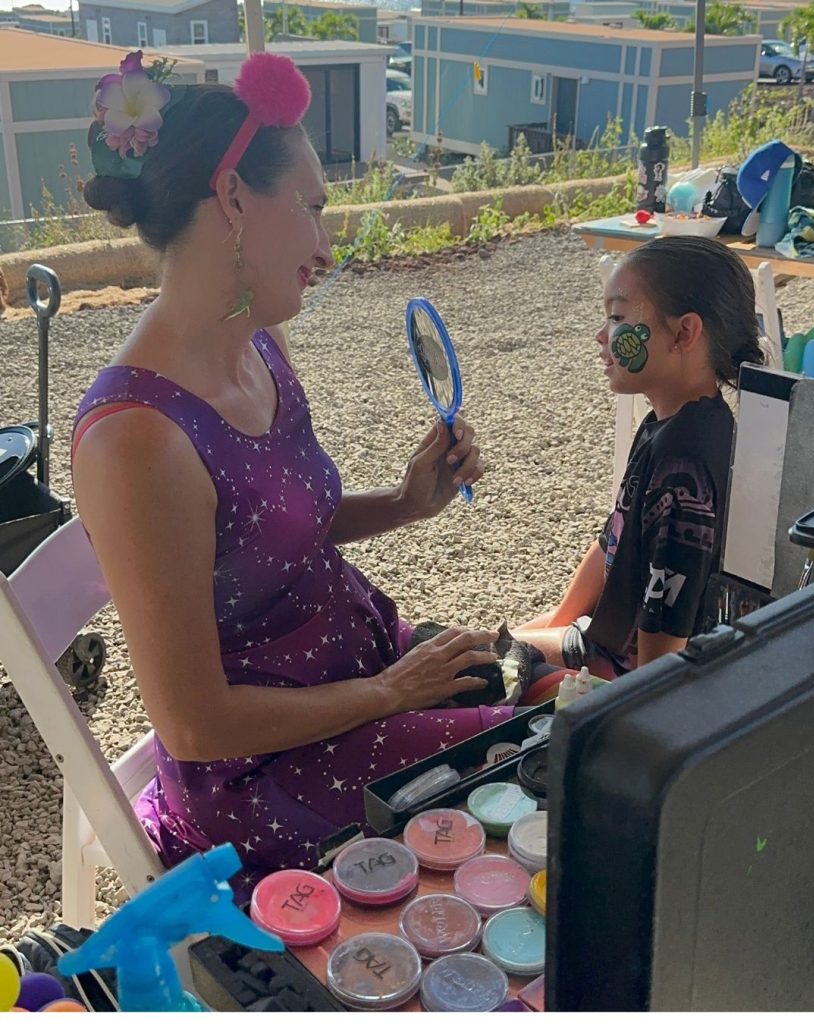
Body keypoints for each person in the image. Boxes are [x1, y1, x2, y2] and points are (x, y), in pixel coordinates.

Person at [72, 51, 510, 897]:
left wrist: (404, 503)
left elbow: (263, 532)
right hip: (261, 771)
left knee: (546, 700)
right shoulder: (136, 441)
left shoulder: (259, 341)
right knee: (541, 759)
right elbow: (194, 725)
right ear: (234, 197)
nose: (326, 245)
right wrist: (389, 693)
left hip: (351, 678)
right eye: (312, 208)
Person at [514, 236, 764, 679]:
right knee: (460, 648)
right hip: (597, 644)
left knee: (458, 666)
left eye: (617, 318)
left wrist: (552, 657)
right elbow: (612, 539)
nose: (601, 336)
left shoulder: (683, 469)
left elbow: (658, 668)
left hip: (620, 679)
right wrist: (554, 629)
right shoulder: (669, 424)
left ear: (684, 333)